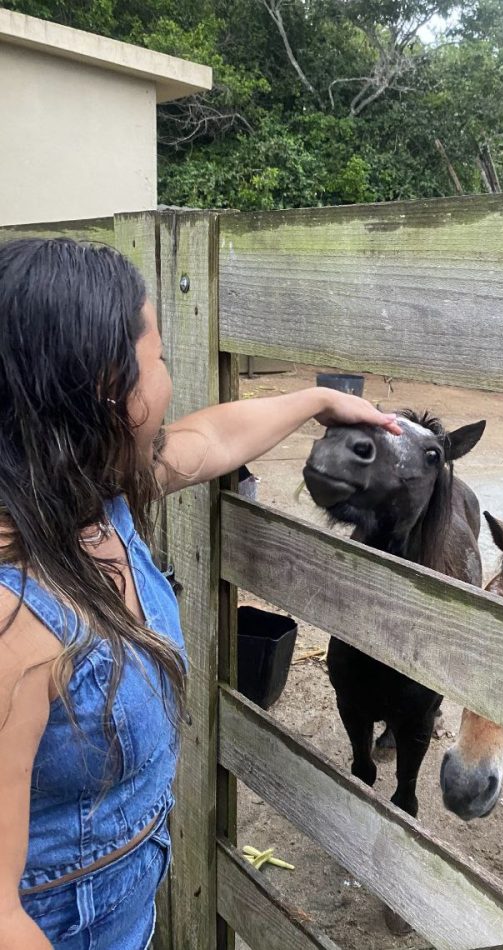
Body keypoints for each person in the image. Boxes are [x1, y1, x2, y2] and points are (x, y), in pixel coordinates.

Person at [0, 238, 400, 949]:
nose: (170, 383)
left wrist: (318, 400)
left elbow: (212, 439)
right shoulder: (15, 622)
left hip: (120, 904)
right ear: (104, 388)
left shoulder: (87, 501)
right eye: (159, 362)